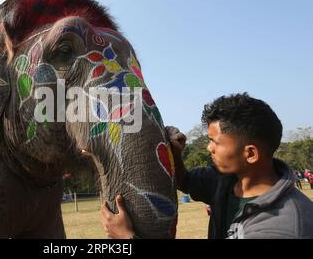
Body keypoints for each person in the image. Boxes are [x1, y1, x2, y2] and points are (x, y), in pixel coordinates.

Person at [101, 93, 313, 239]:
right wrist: (175, 154)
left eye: (216, 142)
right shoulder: (226, 180)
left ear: (250, 153)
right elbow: (185, 181)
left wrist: (127, 238)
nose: (209, 149)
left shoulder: (284, 223)